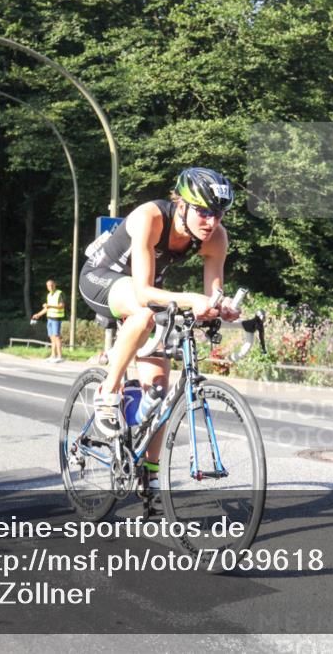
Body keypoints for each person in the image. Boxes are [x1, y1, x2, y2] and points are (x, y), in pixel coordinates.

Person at [78, 167, 240, 492]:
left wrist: (221, 309)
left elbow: (212, 295)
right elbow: (142, 292)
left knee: (160, 388)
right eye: (204, 212)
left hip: (150, 290)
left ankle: (149, 475)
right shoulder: (150, 217)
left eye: (219, 214)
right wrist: (191, 298)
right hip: (103, 277)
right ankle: (108, 393)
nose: (212, 222)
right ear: (181, 205)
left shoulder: (216, 238)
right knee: (143, 314)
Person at [32, 278, 65, 363]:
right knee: (52, 337)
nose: (50, 287)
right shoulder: (49, 295)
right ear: (47, 287)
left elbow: (62, 305)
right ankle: (53, 356)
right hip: (49, 318)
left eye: (51, 285)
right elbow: (47, 308)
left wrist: (50, 306)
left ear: (55, 285)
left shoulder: (59, 293)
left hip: (56, 318)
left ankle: (60, 356)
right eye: (48, 286)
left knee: (57, 337)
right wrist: (38, 315)